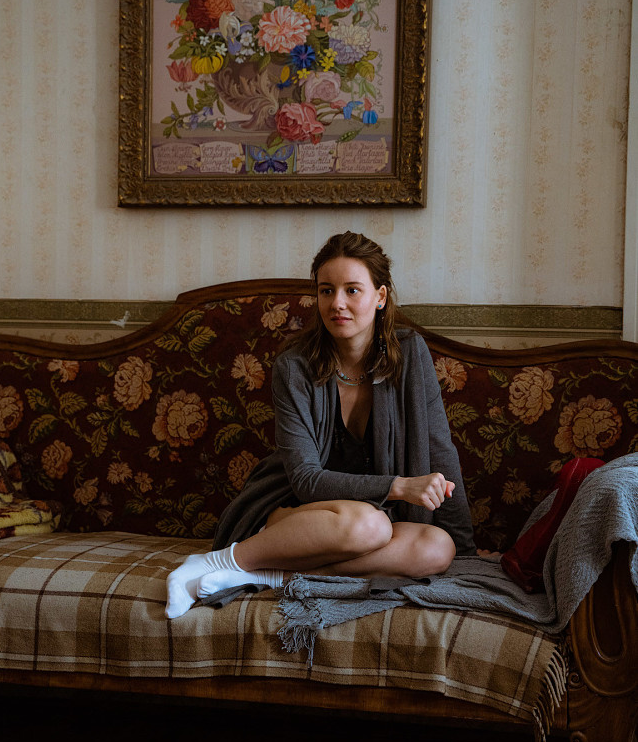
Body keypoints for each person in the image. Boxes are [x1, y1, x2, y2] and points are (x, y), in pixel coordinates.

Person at [165, 231, 476, 619]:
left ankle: (267, 576)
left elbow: (440, 450)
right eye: (326, 291)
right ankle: (215, 562)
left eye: (352, 290)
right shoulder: (294, 366)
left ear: (380, 297)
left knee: (438, 547)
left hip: (365, 522)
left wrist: (466, 552)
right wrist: (398, 486)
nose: (337, 303)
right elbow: (305, 480)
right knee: (370, 525)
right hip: (294, 512)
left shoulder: (410, 353)